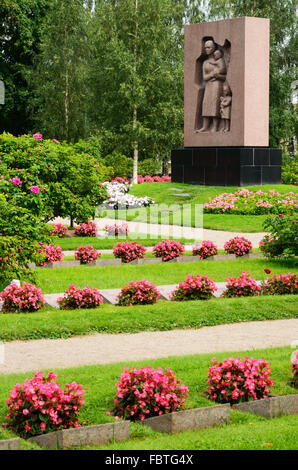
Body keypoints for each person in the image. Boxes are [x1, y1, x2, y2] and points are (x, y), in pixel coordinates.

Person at [197, 40, 227, 133]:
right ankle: (205, 126)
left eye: (209, 47)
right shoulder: (205, 62)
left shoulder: (220, 61)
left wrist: (218, 76)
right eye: (205, 47)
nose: (207, 49)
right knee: (206, 104)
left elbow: (225, 76)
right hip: (208, 86)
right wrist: (212, 75)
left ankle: (215, 127)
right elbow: (204, 77)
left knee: (215, 105)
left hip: (217, 85)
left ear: (214, 48)